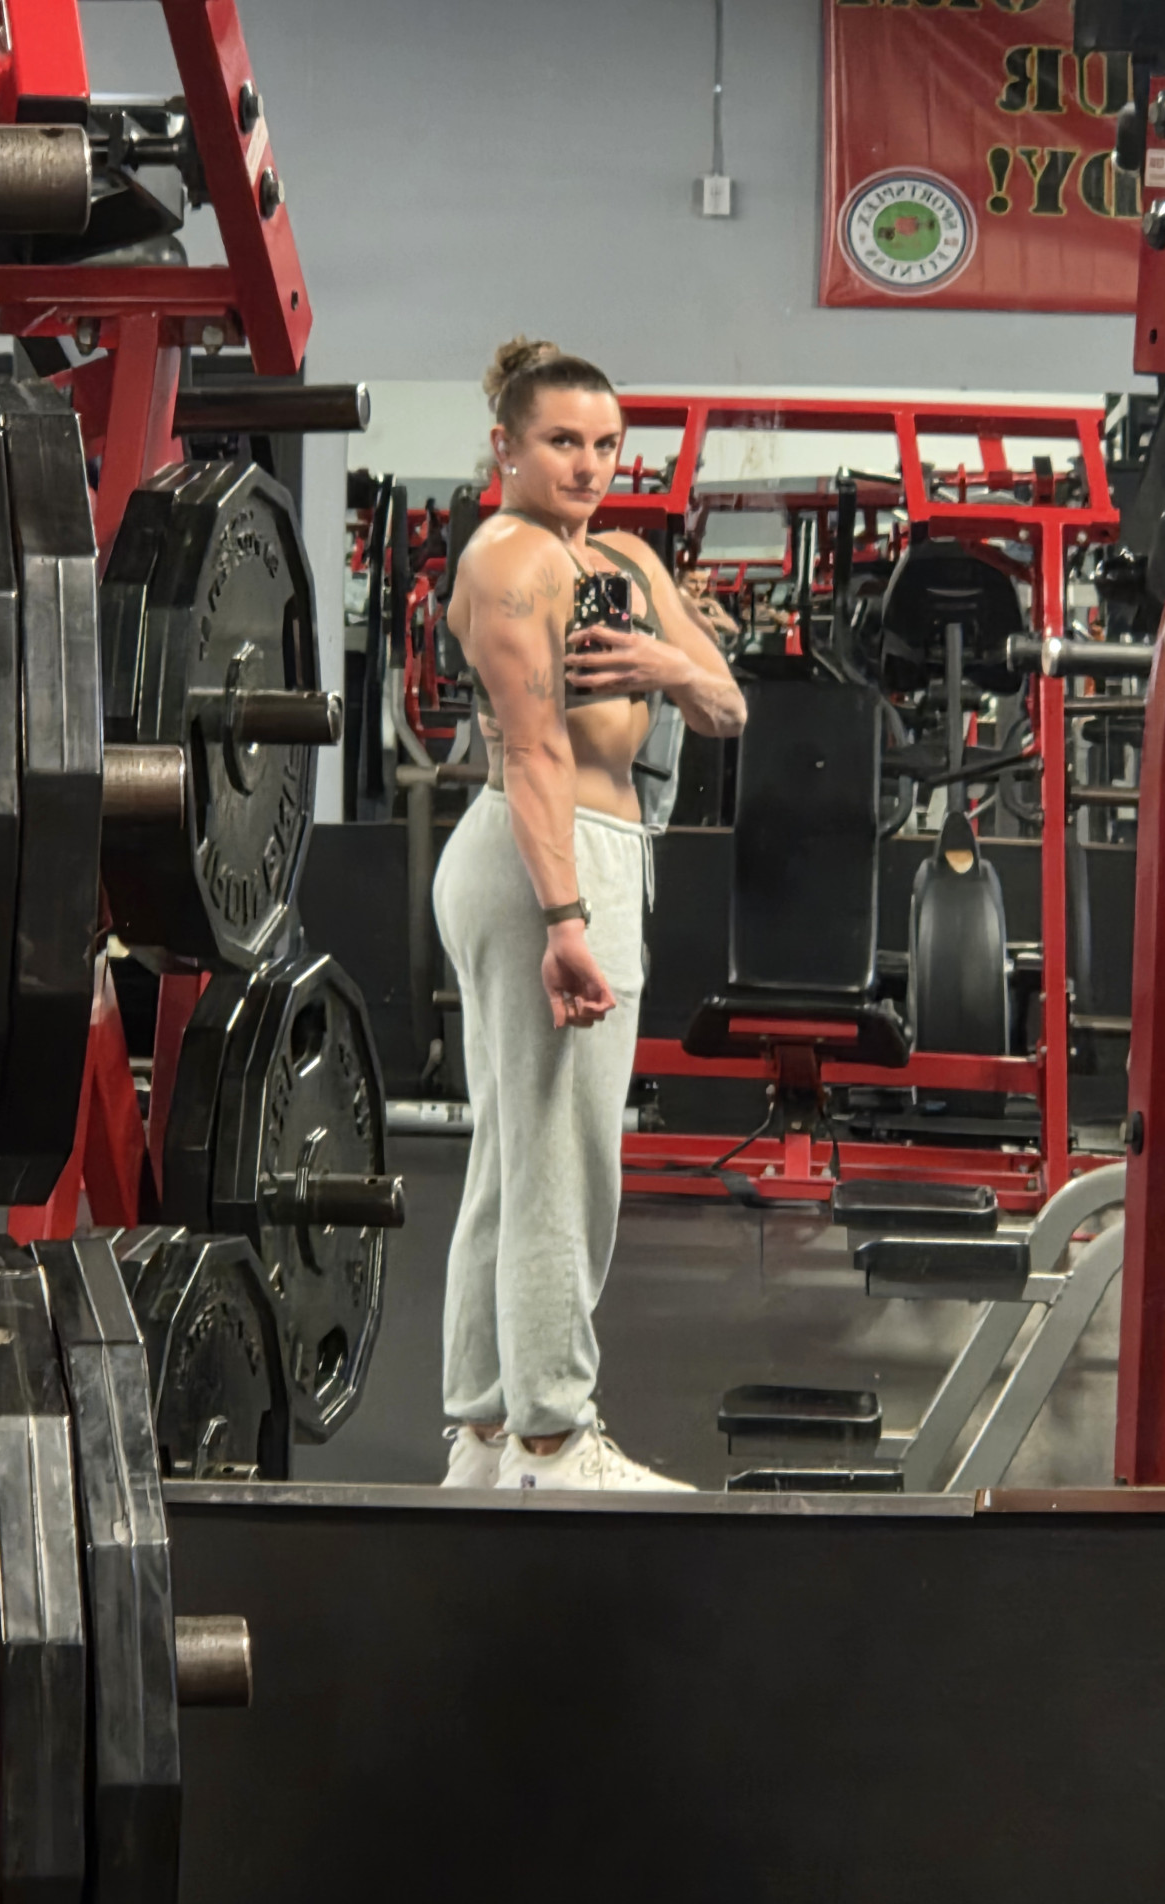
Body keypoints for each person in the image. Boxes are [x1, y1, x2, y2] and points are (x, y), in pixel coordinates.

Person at [434, 337, 747, 1490]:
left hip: (599, 849)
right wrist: (566, 919)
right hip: (545, 855)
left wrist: (666, 659)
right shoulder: (509, 558)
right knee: (564, 1159)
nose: (588, 463)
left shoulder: (624, 557)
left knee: (520, 1151)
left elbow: (726, 705)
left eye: (606, 443)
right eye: (562, 440)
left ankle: (484, 1436)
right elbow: (532, 752)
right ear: (506, 447)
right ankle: (553, 1437)